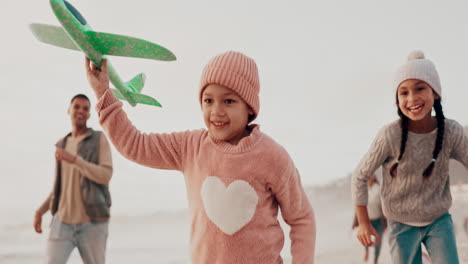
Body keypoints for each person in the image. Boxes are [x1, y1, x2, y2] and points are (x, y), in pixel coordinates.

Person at [84, 51, 316, 263]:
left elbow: (301, 218)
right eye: (208, 100)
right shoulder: (190, 146)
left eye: (229, 101)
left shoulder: (272, 157)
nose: (216, 111)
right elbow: (136, 144)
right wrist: (104, 94)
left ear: (250, 108)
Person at [352, 50, 468, 264]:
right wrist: (364, 222)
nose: (412, 98)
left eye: (420, 88)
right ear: (397, 100)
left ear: (435, 92)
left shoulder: (451, 131)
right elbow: (360, 176)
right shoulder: (390, 135)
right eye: (403, 93)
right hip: (400, 224)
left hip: (438, 221)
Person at [34, 94, 113, 264]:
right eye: (76, 106)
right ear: (69, 110)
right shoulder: (61, 144)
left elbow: (105, 175)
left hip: (92, 222)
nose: (80, 111)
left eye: (85, 108)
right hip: (61, 222)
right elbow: (59, 188)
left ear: (89, 114)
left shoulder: (99, 139)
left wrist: (74, 160)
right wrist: (40, 211)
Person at [352, 173, 386, 264]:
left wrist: (385, 223)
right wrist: (354, 223)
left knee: (378, 241)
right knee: (366, 238)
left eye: (371, 176)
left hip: (378, 220)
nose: (369, 177)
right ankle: (366, 251)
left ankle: (375, 261)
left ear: (374, 177)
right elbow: (358, 207)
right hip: (367, 220)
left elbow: (384, 207)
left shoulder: (379, 189)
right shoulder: (363, 189)